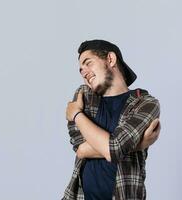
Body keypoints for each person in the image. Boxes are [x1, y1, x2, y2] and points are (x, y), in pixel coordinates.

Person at [62, 39, 161, 200]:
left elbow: (111, 148)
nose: (83, 72)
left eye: (88, 63)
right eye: (80, 69)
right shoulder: (83, 96)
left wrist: (76, 115)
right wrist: (138, 144)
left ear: (110, 59)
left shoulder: (145, 103)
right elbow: (79, 147)